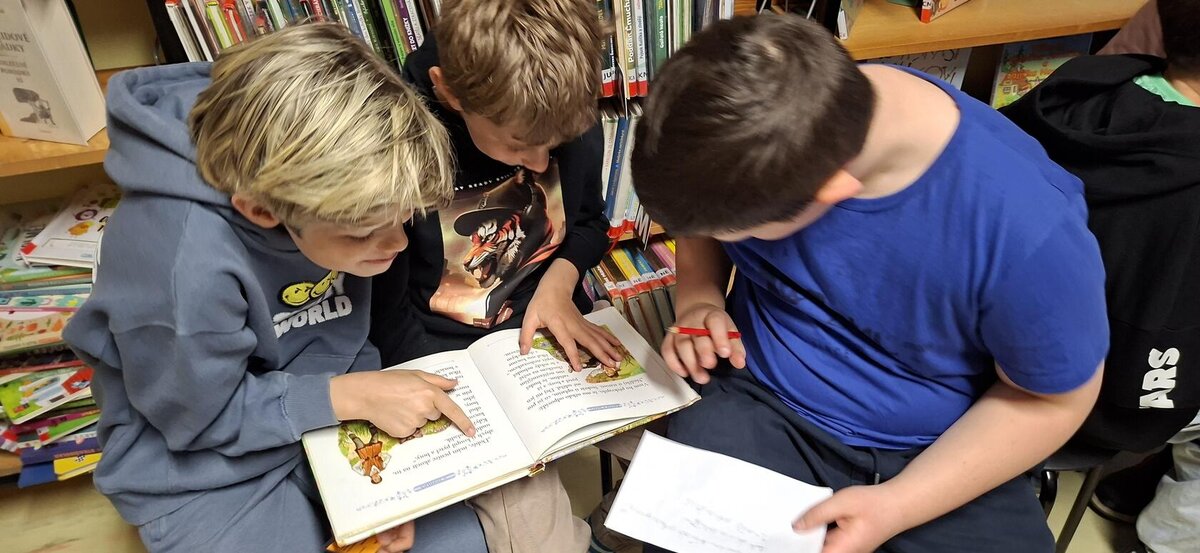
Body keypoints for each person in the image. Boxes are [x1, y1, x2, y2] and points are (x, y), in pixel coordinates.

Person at [629, 14, 1109, 553]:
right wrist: (698, 300)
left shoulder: (1029, 234)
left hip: (943, 448)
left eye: (738, 233)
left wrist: (900, 504)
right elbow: (701, 221)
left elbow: (1052, 402)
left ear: (834, 193)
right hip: (759, 399)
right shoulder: (780, 111)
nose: (709, 237)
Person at [63, 23, 485, 553]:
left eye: (404, 220)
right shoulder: (180, 263)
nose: (398, 244)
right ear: (262, 211)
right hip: (198, 460)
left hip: (324, 408)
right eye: (362, 234)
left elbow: (344, 337)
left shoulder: (343, 191)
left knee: (464, 539)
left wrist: (369, 487)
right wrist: (346, 397)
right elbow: (198, 418)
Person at [369, 2, 631, 552]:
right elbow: (385, 307)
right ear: (448, 91)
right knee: (542, 539)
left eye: (553, 146)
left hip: (555, 329)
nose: (538, 163)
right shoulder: (396, 141)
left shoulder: (560, 106)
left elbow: (589, 224)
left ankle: (613, 535)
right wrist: (435, 377)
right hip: (449, 359)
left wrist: (559, 284)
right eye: (517, 145)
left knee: (690, 450)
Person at [1002, 1, 1200, 551]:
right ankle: (1164, 542)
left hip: (984, 346)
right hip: (1094, 399)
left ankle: (1130, 488)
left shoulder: (1079, 87)